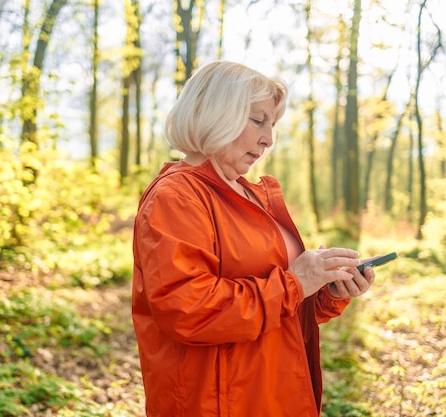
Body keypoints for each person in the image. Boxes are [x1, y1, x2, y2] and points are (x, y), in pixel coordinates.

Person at [131, 61, 376, 417]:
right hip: (218, 402)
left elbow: (279, 304)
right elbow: (189, 309)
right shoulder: (177, 196)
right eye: (258, 120)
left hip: (276, 393)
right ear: (216, 113)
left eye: (272, 124)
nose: (269, 138)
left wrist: (325, 290)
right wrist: (296, 283)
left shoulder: (253, 195)